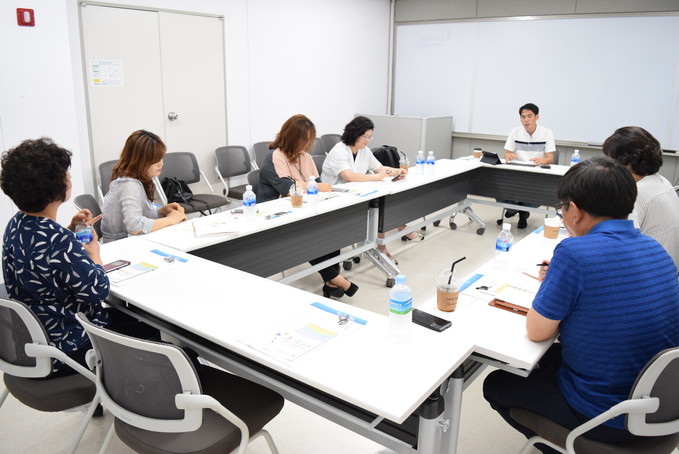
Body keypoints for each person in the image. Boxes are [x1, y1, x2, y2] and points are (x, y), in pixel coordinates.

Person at [483, 157, 679, 453]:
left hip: (609, 416)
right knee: (549, 358)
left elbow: (537, 331)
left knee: (498, 383)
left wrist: (558, 281)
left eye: (561, 209)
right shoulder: (655, 248)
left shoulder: (574, 253)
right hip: (661, 404)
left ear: (574, 211)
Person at [1, 138, 158, 377]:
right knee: (151, 329)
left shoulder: (16, 225)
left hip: (33, 343)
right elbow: (98, 290)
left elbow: (42, 257)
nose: (69, 177)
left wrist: (69, 230)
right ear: (56, 188)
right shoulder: (58, 240)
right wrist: (94, 254)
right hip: (69, 348)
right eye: (66, 174)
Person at [259, 114, 358, 299]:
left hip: (302, 207)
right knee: (307, 234)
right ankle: (335, 278)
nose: (307, 144)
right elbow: (287, 188)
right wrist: (316, 187)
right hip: (275, 212)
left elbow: (317, 184)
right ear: (291, 137)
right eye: (304, 140)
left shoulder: (306, 157)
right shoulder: (274, 157)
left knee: (330, 227)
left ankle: (331, 280)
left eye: (310, 140)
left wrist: (318, 188)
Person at [321, 116, 423, 264]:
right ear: (354, 134)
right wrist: (376, 177)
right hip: (335, 197)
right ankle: (390, 240)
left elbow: (380, 168)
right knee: (379, 206)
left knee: (382, 203)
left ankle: (383, 246)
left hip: (357, 193)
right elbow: (348, 176)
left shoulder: (364, 150)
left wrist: (396, 171)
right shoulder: (339, 151)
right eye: (365, 136)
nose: (368, 140)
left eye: (370, 137)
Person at [602, 126, 679, 270]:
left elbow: (620, 247)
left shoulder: (637, 192)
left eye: (610, 159)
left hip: (650, 273)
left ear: (627, 161)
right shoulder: (661, 181)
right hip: (668, 271)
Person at [101, 130, 187, 243]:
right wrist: (170, 220)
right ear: (140, 160)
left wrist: (162, 211)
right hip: (121, 246)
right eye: (155, 160)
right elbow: (135, 226)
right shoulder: (129, 185)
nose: (161, 164)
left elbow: (140, 216)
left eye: (161, 158)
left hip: (132, 242)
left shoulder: (137, 179)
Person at [502, 103, 556, 229]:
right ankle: (516, 209)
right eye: (523, 117)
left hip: (536, 173)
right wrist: (509, 156)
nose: (526, 120)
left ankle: (521, 210)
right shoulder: (515, 132)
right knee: (498, 187)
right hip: (517, 171)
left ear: (537, 117)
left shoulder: (547, 133)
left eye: (529, 116)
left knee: (540, 194)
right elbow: (508, 153)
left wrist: (543, 160)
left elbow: (550, 158)